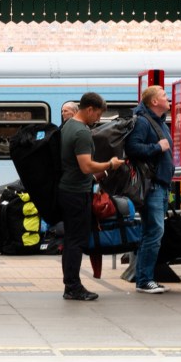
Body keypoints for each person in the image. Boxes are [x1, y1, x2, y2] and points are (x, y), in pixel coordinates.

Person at [58, 92, 123, 301]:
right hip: (77, 192)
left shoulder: (67, 126)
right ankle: (73, 286)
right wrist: (110, 164)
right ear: (90, 109)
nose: (98, 119)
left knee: (70, 240)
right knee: (77, 240)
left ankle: (70, 283)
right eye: (98, 114)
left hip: (68, 190)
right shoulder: (81, 132)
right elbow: (86, 166)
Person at [126, 85, 175, 294]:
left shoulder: (158, 122)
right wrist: (158, 147)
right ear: (154, 102)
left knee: (151, 233)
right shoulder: (144, 122)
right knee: (154, 233)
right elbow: (132, 148)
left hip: (160, 185)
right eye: (164, 95)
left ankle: (145, 277)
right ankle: (144, 280)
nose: (168, 98)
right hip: (152, 186)